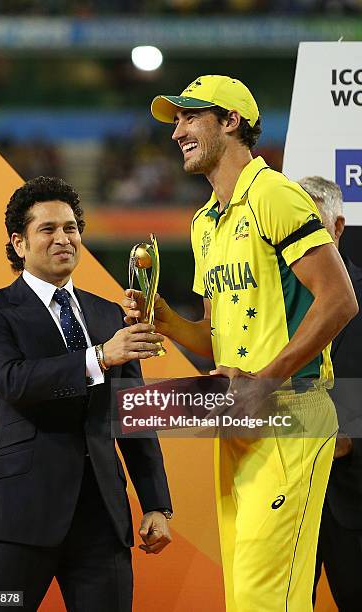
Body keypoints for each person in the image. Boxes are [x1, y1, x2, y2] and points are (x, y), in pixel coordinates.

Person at [123, 75, 358, 611]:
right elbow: (214, 337)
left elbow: (340, 300)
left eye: (190, 116)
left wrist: (267, 381)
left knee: (261, 597)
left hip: (290, 412)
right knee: (253, 595)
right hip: (240, 417)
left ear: (230, 122)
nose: (178, 130)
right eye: (176, 120)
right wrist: (164, 320)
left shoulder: (274, 194)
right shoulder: (204, 223)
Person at [0, 176, 172, 612]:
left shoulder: (108, 312)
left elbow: (133, 413)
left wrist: (155, 503)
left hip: (102, 519)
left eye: (71, 228)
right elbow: (13, 381)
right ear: (19, 243)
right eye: (48, 229)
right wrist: (100, 357)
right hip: (14, 517)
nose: (64, 239)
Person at [299, 176, 362, 611]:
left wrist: (347, 435)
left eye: (308, 227)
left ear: (337, 228)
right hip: (286, 498)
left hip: (353, 501)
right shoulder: (269, 301)